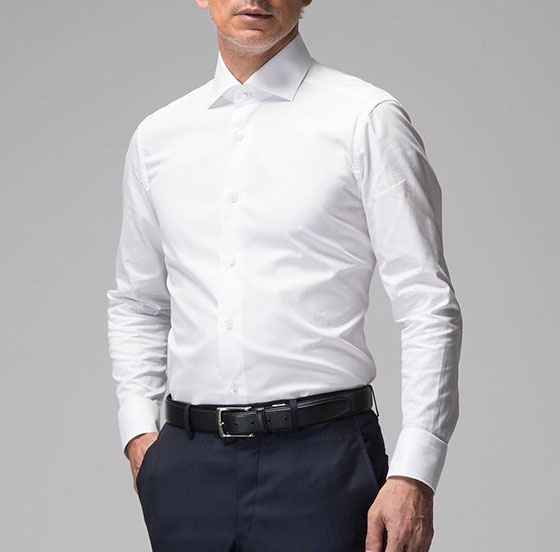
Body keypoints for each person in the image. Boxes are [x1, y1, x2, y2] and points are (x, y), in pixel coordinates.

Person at [106, 1, 463, 551]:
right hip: (187, 472)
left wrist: (415, 472)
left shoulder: (366, 119)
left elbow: (426, 303)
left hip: (323, 466)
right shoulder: (157, 139)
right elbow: (139, 301)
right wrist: (138, 431)